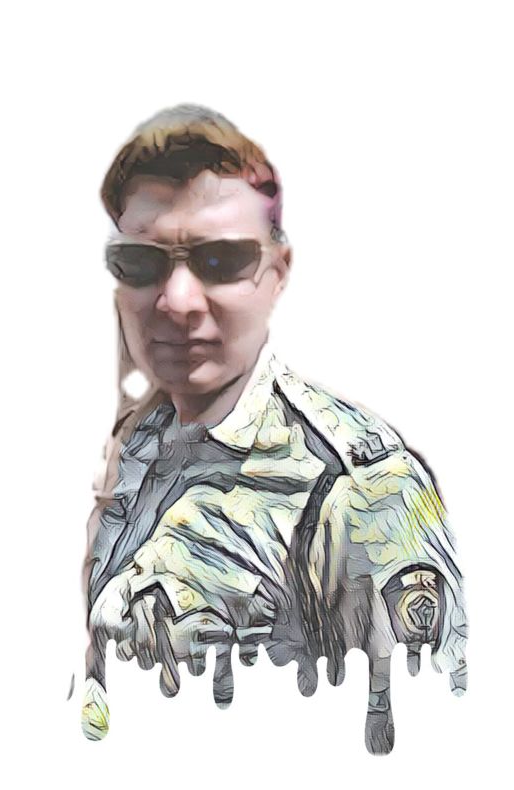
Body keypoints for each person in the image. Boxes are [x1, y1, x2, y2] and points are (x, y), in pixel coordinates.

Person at [79, 104, 467, 755]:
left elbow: (437, 743)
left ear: (276, 273)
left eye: (220, 260)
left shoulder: (362, 488)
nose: (177, 300)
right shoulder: (136, 447)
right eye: (141, 264)